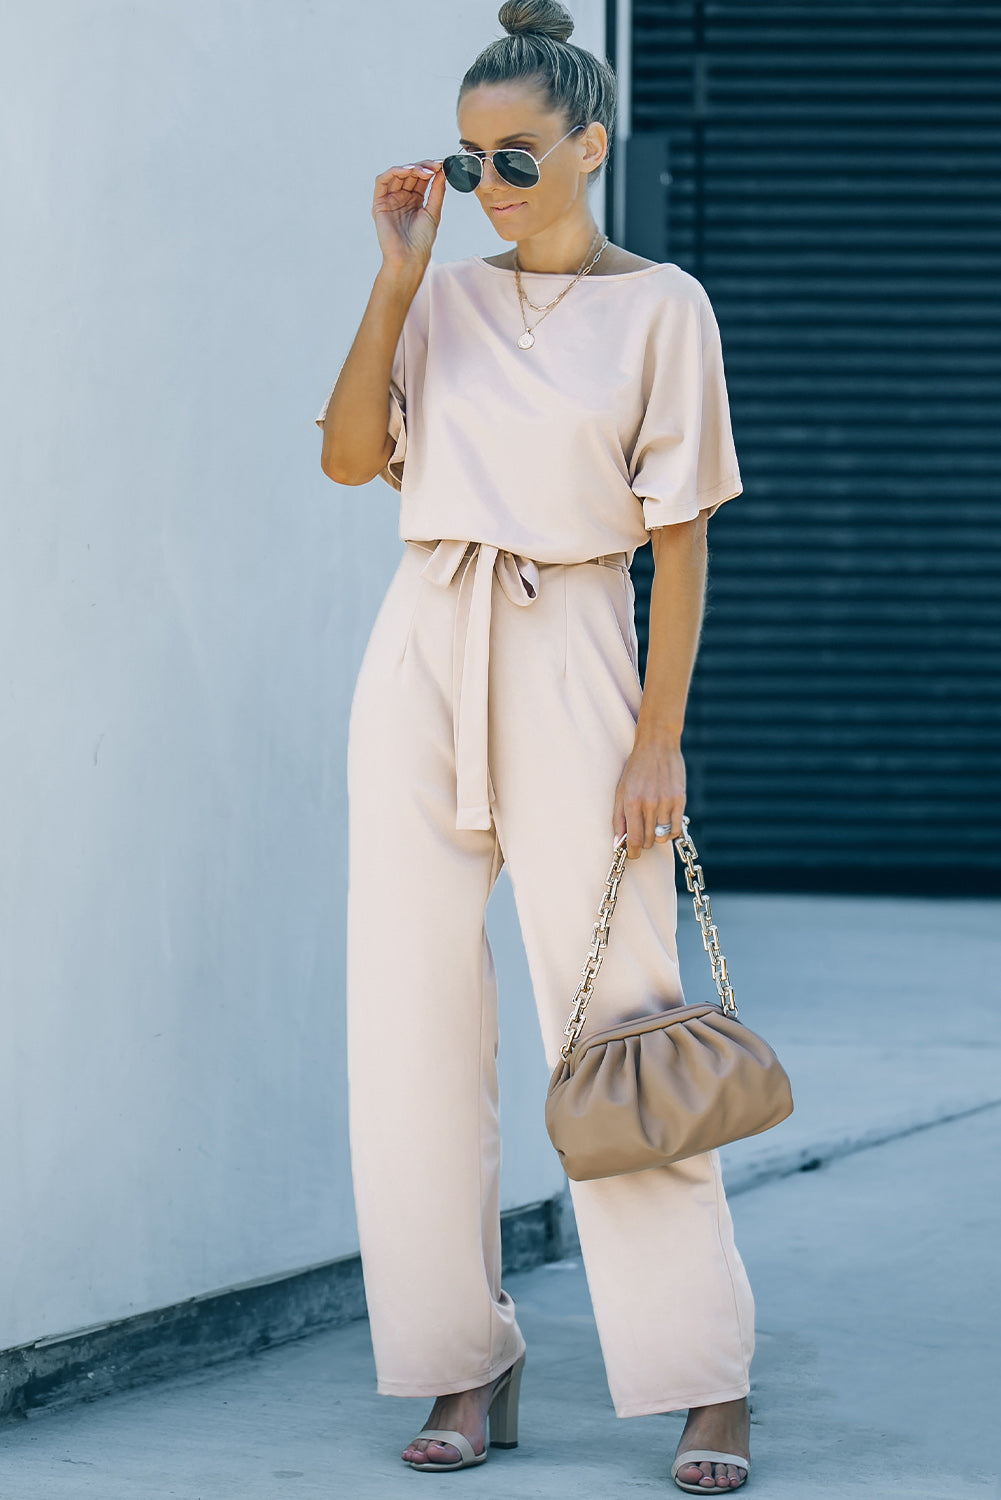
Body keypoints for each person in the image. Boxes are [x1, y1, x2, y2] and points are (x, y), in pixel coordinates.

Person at [314, 1, 753, 1491]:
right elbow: (350, 457)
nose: (490, 184)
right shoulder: (439, 295)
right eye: (467, 158)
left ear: (587, 144)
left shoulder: (662, 308)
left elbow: (678, 545)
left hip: (573, 644)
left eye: (516, 157)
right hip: (422, 642)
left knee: (621, 1020)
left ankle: (702, 1379)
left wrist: (659, 738)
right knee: (408, 1026)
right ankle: (460, 1359)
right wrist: (397, 278)